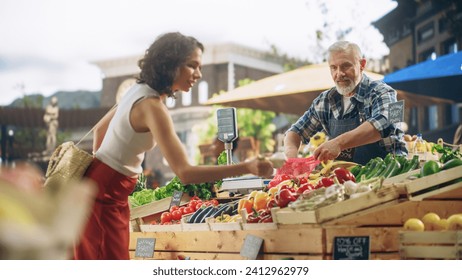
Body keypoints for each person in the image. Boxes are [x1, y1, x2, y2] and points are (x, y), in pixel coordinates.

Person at [73, 32, 274, 260]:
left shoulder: (137, 90)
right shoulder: (152, 106)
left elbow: (100, 130)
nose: (198, 74)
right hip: (105, 199)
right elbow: (185, 173)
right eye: (192, 66)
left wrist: (104, 175)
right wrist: (246, 167)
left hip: (105, 193)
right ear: (170, 65)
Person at [284, 41, 407, 165]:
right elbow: (294, 132)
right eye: (334, 67)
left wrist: (338, 143)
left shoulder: (386, 92)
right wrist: (292, 160)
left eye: (345, 66)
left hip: (390, 173)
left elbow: (386, 124)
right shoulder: (325, 100)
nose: (339, 74)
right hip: (347, 181)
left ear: (362, 64)